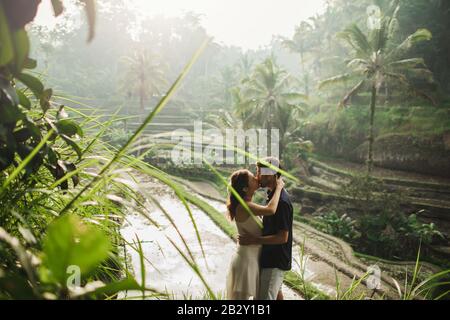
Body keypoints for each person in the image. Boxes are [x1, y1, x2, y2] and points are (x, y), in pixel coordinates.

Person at [239, 157, 294, 300]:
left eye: (259, 172)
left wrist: (253, 239)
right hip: (270, 258)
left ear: (270, 174)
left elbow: (283, 237)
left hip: (274, 261)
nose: (257, 176)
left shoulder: (281, 202)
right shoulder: (272, 195)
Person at [225, 169, 285, 300]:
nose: (257, 178)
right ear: (246, 188)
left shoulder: (248, 205)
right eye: (253, 178)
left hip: (252, 258)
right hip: (246, 261)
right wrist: (279, 188)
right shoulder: (244, 206)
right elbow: (270, 210)